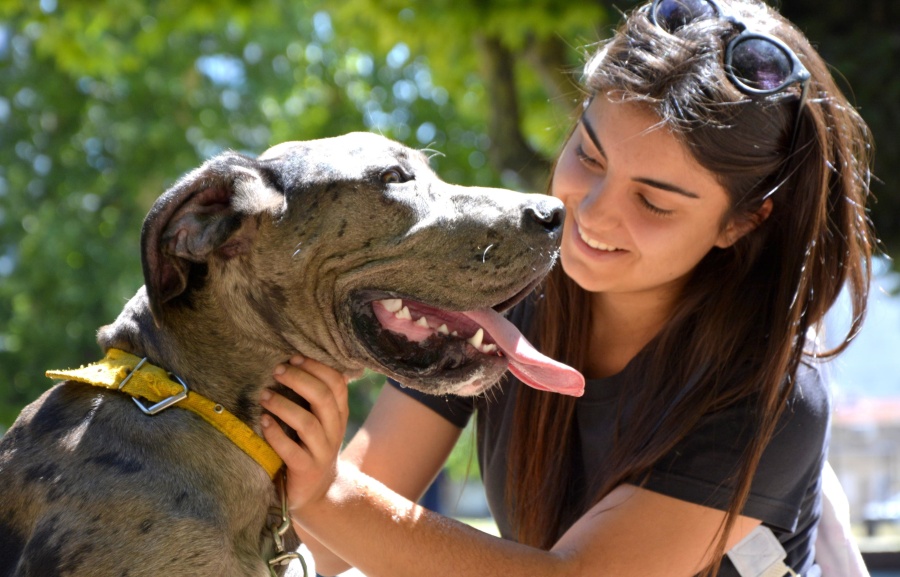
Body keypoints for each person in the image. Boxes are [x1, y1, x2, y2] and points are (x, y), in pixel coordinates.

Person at [259, 0, 876, 574]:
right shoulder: (502, 293)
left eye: (654, 202)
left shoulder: (774, 392)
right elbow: (324, 540)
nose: (594, 213)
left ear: (742, 222)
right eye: (589, 156)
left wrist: (328, 492)